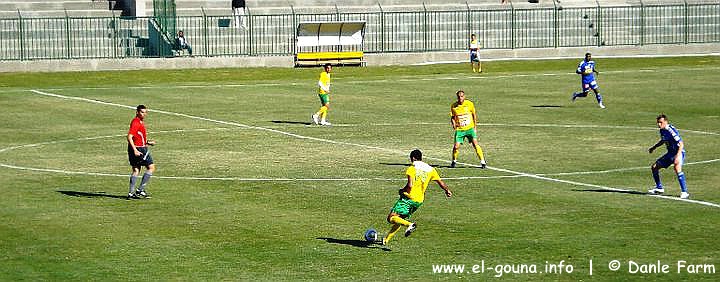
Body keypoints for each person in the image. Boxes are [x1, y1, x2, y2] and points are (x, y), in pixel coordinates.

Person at [381, 149, 452, 245]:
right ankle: (386, 240)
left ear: (413, 158)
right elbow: (440, 182)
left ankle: (410, 225)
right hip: (419, 200)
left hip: (409, 198)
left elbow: (410, 185)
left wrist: (402, 191)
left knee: (391, 218)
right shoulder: (431, 169)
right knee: (400, 218)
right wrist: (447, 190)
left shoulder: (412, 168)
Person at [648, 114, 689, 199]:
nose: (659, 124)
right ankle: (659, 188)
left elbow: (681, 144)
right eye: (658, 123)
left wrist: (677, 157)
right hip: (670, 153)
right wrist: (654, 147)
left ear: (666, 122)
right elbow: (663, 140)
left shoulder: (671, 130)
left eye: (661, 122)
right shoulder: (662, 130)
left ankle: (684, 192)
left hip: (678, 152)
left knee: (677, 168)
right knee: (654, 167)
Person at [450, 90, 487, 169]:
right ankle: (454, 161)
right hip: (460, 130)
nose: (460, 98)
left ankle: (483, 162)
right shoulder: (454, 106)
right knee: (456, 147)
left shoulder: (469, 104)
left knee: (475, 144)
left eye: (462, 96)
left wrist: (475, 127)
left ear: (464, 96)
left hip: (470, 128)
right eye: (459, 97)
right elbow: (452, 117)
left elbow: (474, 115)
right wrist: (453, 124)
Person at [127, 105, 156, 199]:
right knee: (151, 167)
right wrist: (135, 150)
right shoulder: (136, 122)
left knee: (136, 170)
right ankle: (140, 190)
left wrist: (147, 142)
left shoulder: (139, 122)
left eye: (145, 112)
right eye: (142, 112)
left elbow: (137, 137)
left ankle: (131, 193)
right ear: (137, 112)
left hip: (137, 147)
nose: (144, 114)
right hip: (139, 149)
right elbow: (129, 136)